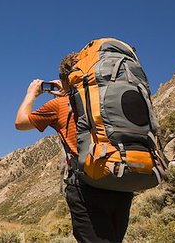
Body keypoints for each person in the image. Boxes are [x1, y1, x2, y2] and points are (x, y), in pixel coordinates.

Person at [15, 53, 134, 243]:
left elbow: (21, 123)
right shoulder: (111, 100)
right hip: (120, 181)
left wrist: (31, 93)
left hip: (87, 185)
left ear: (67, 78)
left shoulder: (60, 104)